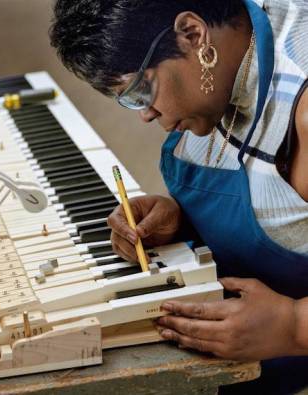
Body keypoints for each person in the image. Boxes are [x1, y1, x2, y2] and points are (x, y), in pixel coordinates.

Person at [49, 0, 308, 393]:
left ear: (192, 34)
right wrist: (183, 220)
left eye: (141, 91)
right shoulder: (221, 67)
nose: (146, 115)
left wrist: (295, 325)